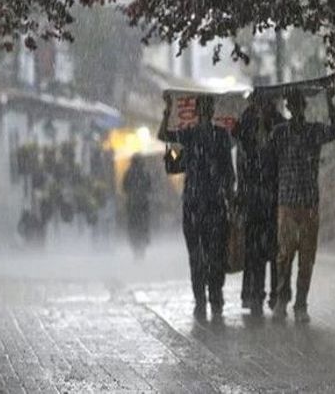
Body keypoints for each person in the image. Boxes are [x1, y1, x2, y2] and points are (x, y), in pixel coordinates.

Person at [159, 94, 234, 321]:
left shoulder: (216, 135)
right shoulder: (192, 135)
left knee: (211, 255)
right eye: (204, 108)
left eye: (207, 108)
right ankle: (205, 299)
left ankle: (211, 298)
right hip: (199, 204)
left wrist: (230, 197)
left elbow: (228, 172)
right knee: (201, 255)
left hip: (208, 204)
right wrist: (168, 111)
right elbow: (164, 136)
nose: (205, 112)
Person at [271, 86, 335, 323]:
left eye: (299, 104)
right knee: (284, 257)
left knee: (306, 259)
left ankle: (301, 303)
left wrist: (330, 102)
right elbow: (264, 150)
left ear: (303, 107)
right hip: (288, 203)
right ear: (289, 108)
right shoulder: (280, 133)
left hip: (308, 203)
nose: (296, 109)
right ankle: (282, 299)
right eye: (292, 105)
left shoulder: (314, 131)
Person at [233, 94, 286, 317]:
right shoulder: (247, 122)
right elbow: (239, 149)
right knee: (254, 250)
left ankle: (276, 294)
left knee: (274, 251)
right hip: (253, 198)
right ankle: (255, 294)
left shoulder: (279, 124)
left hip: (273, 198)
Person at [122, 154, 152, 259]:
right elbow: (149, 187)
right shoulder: (145, 173)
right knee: (143, 226)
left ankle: (135, 248)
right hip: (143, 205)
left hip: (132, 205)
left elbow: (124, 188)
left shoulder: (128, 173)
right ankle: (142, 247)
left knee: (133, 227)